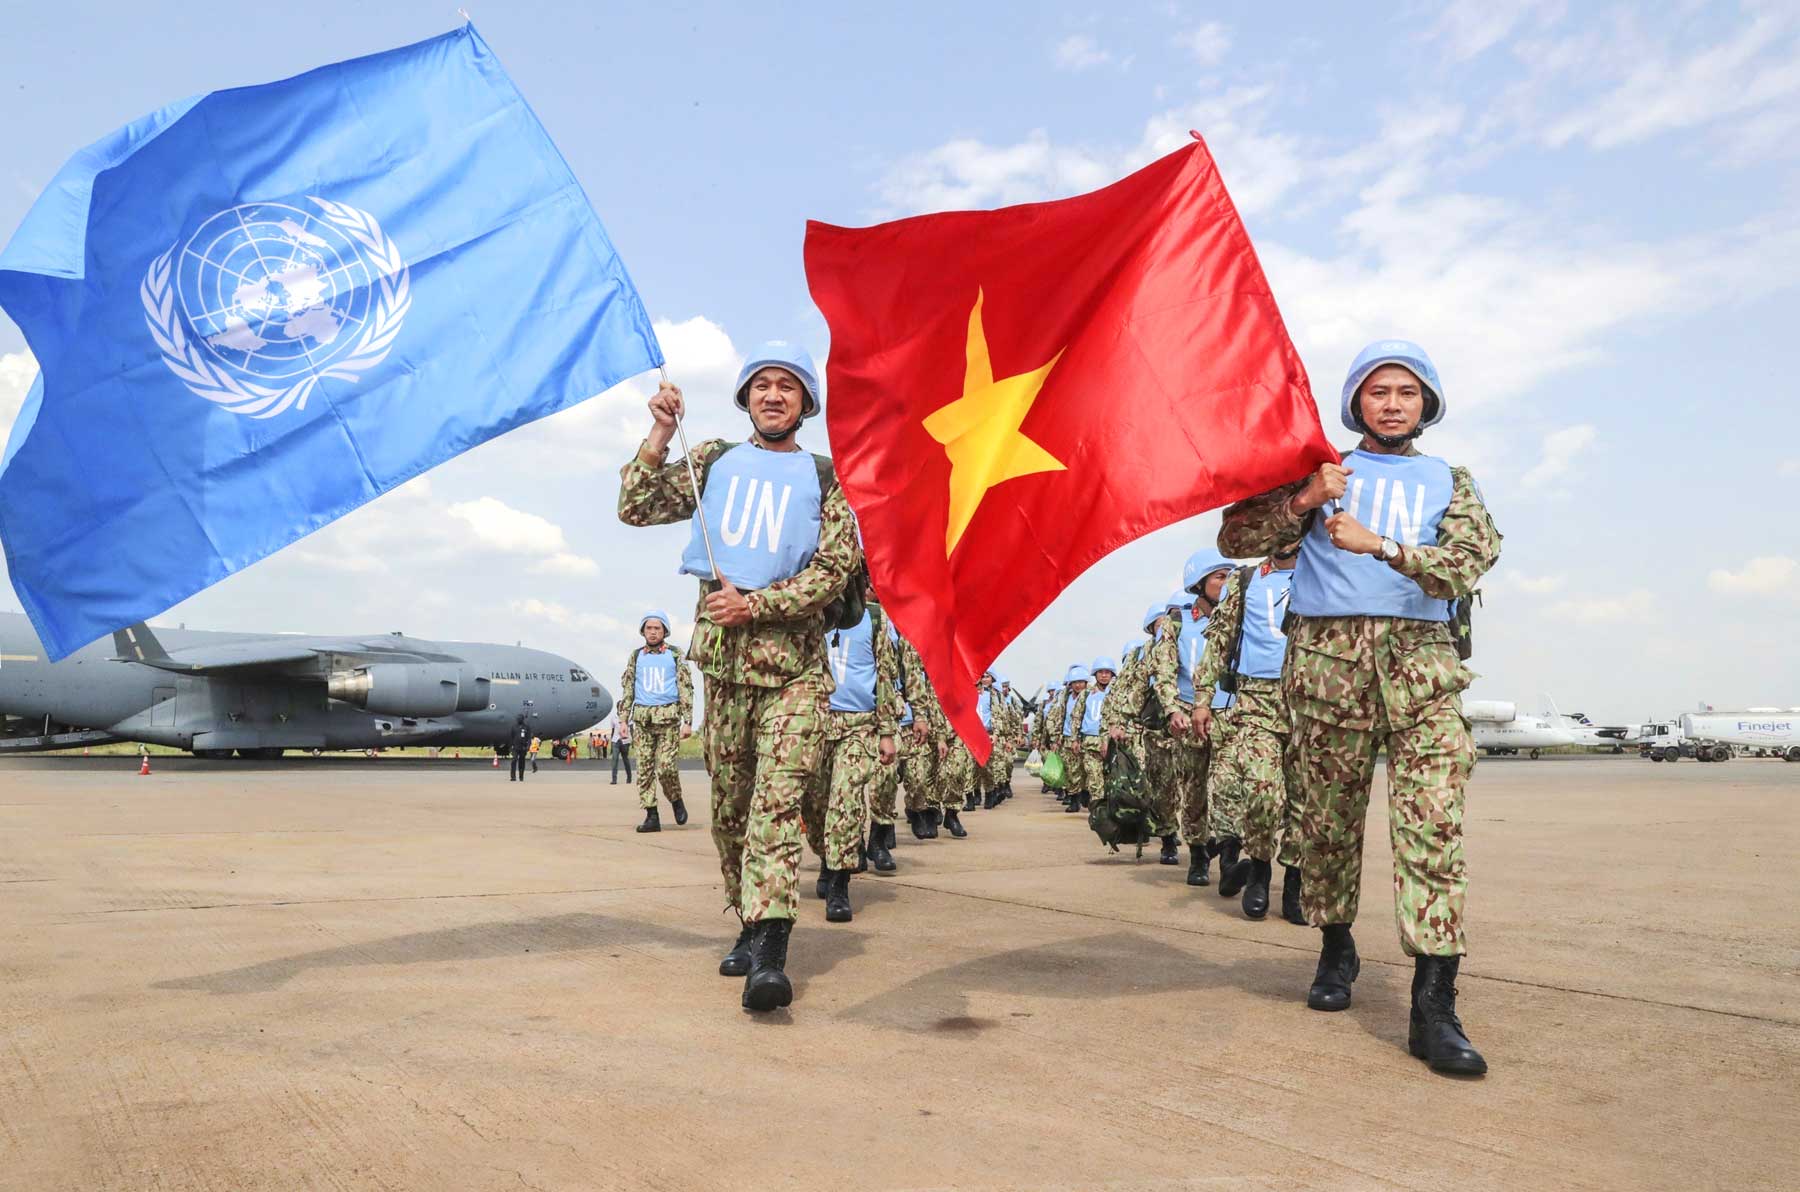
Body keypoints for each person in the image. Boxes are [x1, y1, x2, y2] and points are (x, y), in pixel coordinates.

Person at [1218, 339, 1499, 1076]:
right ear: (1356, 404)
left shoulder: (1451, 481)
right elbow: (1235, 535)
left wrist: (1384, 548)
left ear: (1426, 404)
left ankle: (1434, 1006)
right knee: (1328, 825)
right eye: (1379, 392)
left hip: (1422, 673)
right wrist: (1305, 501)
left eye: (1407, 392)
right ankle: (1335, 947)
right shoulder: (1319, 472)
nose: (1393, 404)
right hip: (1327, 670)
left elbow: (1467, 564)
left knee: (1434, 829)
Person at [618, 341, 858, 1013]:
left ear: (806, 403)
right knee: (730, 812)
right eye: (762, 384)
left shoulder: (828, 478)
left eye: (787, 386)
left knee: (776, 809)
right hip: (724, 673)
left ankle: (771, 957)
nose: (773, 395)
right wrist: (660, 432)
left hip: (795, 676)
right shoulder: (712, 460)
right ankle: (748, 924)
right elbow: (636, 506)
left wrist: (758, 605)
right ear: (746, 397)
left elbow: (834, 569)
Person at [1192, 546, 1302, 921]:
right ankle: (1259, 869)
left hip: (1309, 698)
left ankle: (1295, 880)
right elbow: (1219, 639)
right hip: (1256, 698)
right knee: (1261, 791)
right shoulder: (1245, 580)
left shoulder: (1321, 569)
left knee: (1306, 798)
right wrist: (1202, 699)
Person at [807, 574, 900, 920]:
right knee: (814, 805)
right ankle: (825, 859)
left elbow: (885, 676)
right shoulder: (811, 613)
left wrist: (886, 731)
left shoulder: (875, 619)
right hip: (815, 722)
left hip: (859, 724)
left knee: (845, 802)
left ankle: (839, 883)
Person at [1150, 559, 1236, 886]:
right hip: (1188, 715)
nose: (1226, 583)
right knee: (1194, 789)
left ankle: (1229, 857)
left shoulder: (1239, 617)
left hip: (1230, 714)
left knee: (1230, 788)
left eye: (1230, 576)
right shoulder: (1177, 623)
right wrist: (1173, 710)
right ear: (1199, 583)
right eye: (1219, 576)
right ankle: (1199, 854)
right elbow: (1164, 671)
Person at [1103, 603, 1181, 863]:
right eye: (1161, 623)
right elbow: (1133, 691)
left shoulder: (1193, 643)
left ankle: (1208, 839)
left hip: (1194, 724)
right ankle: (1168, 837)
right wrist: (1120, 723)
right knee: (1161, 786)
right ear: (1151, 628)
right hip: (1156, 730)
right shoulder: (1144, 654)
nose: (1168, 626)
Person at [617, 611, 695, 833]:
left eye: (657, 628)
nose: (652, 632)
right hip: (642, 721)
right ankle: (652, 815)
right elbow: (628, 688)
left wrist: (688, 720)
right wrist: (623, 720)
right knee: (644, 770)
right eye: (649, 628)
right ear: (643, 631)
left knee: (666, 767)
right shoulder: (636, 656)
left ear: (665, 631)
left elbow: (685, 688)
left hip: (668, 720)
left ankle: (675, 799)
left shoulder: (675, 654)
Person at [508, 713, 532, 782]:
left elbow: (529, 738)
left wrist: (528, 746)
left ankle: (521, 777)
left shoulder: (526, 727)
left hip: (523, 747)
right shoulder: (514, 727)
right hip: (515, 747)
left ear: (522, 719)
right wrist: (510, 748)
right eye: (517, 718)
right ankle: (513, 777)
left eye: (519, 718)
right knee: (514, 760)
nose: (518, 719)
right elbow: (511, 738)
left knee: (522, 762)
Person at [610, 718, 634, 784]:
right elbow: (612, 731)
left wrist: (633, 741)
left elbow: (632, 729)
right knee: (615, 759)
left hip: (625, 741)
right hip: (615, 741)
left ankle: (629, 778)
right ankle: (614, 779)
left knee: (625, 760)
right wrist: (611, 745)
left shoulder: (628, 717)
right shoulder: (613, 717)